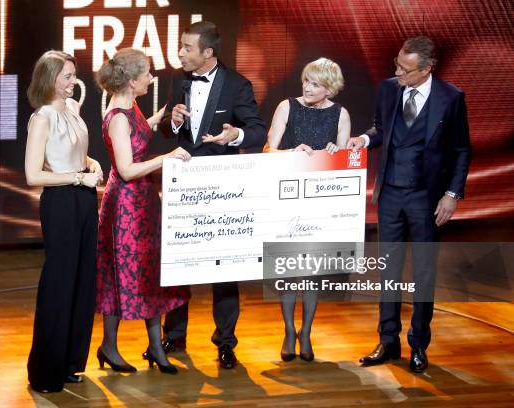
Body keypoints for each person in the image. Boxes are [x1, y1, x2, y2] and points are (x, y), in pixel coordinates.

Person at [347, 36, 471, 373]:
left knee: (424, 271)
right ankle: (388, 341)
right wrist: (365, 139)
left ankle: (419, 344)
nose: (397, 73)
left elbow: (461, 150)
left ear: (427, 69)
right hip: (390, 195)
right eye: (396, 66)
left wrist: (452, 194)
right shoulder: (389, 89)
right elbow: (382, 130)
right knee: (388, 269)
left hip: (426, 198)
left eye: (405, 69)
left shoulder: (451, 98)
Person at [158, 21, 267, 369]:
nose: (180, 53)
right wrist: (172, 121)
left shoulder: (237, 85)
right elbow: (166, 129)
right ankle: (173, 337)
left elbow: (256, 132)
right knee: (178, 266)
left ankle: (226, 343)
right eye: (180, 46)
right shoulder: (179, 80)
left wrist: (234, 135)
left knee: (225, 268)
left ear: (208, 52)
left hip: (222, 187)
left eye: (187, 48)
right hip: (184, 184)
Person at [95, 48, 191, 375]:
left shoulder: (130, 107)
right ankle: (109, 345)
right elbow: (126, 169)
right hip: (126, 207)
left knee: (149, 273)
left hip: (144, 202)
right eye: (148, 73)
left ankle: (153, 346)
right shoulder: (118, 116)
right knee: (122, 276)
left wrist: (165, 113)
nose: (152, 78)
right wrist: (168, 158)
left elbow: (140, 134)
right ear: (133, 80)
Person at [25, 50, 103, 393]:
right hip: (60, 202)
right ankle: (45, 371)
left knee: (83, 282)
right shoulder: (42, 117)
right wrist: (76, 178)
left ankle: (71, 362)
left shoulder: (72, 109)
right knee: (59, 284)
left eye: (74, 75)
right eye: (67, 76)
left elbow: (75, 152)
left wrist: (92, 163)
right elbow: (32, 174)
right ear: (49, 78)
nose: (74, 82)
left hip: (84, 197)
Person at [264, 58, 351, 362]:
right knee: (288, 272)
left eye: (315, 83)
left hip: (321, 204)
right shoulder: (286, 106)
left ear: (330, 87)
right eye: (306, 81)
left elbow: (344, 162)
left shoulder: (340, 114)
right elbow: (267, 151)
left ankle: (307, 331)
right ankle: (288, 330)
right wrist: (291, 151)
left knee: (312, 274)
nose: (308, 87)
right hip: (287, 200)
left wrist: (336, 154)